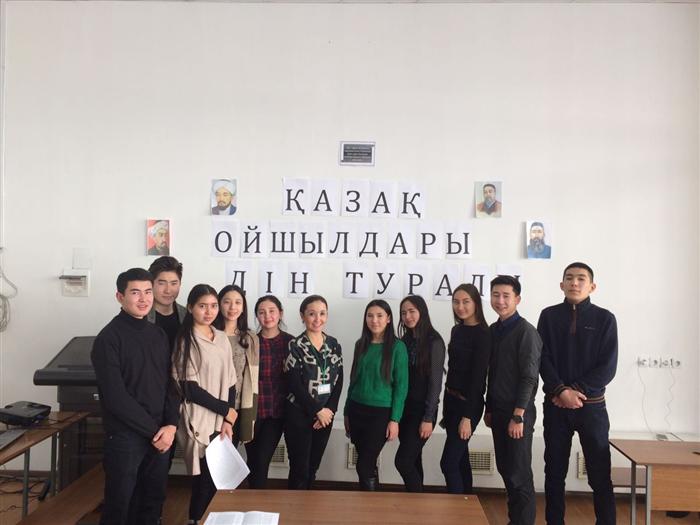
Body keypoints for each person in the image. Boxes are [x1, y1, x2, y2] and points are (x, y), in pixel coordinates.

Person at [91, 268, 178, 525]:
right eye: (135, 292)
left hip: (160, 434)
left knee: (152, 502)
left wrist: (171, 425)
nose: (143, 299)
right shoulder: (108, 338)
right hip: (126, 436)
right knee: (120, 505)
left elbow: (170, 383)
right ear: (120, 297)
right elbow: (115, 397)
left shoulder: (158, 334)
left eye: (148, 292)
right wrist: (155, 432)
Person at [538, 262, 618, 525]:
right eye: (569, 278)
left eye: (581, 278)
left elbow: (607, 367)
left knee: (600, 474)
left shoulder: (605, 319)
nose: (575, 283)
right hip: (556, 405)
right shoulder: (548, 316)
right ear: (561, 284)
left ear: (592, 286)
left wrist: (576, 391)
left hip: (592, 408)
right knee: (554, 472)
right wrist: (561, 391)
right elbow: (542, 358)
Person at [172, 284, 238, 525]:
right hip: (198, 419)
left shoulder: (221, 337)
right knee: (203, 481)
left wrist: (228, 418)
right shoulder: (185, 340)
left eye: (213, 306)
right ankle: (195, 520)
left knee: (217, 480)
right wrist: (226, 410)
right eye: (202, 306)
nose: (209, 312)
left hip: (221, 420)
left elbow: (231, 381)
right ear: (190, 308)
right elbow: (189, 388)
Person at [485, 275, 542, 525]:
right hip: (498, 411)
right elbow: (492, 373)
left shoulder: (526, 332)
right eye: (495, 295)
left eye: (506, 296)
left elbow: (530, 378)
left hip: (518, 413)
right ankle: (514, 520)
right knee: (506, 469)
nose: (500, 300)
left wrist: (518, 415)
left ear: (517, 299)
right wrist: (488, 408)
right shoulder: (494, 330)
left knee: (519, 474)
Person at [344, 299, 408, 491]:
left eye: (380, 315)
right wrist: (346, 412)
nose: (374, 320)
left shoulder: (397, 347)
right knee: (368, 463)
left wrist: (395, 419)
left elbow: (401, 387)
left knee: (363, 465)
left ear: (388, 318)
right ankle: (373, 504)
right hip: (356, 410)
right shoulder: (360, 344)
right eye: (370, 316)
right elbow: (353, 380)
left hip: (380, 414)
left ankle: (370, 502)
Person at [284, 295, 343, 489]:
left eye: (322, 313)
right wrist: (317, 410)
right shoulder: (295, 345)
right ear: (302, 316)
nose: (318, 319)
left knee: (312, 467)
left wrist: (329, 410)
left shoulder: (334, 345)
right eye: (311, 314)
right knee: (299, 468)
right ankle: (294, 505)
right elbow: (294, 384)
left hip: (325, 416)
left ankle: (307, 504)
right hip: (299, 414)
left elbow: (339, 380)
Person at [440, 284, 491, 494]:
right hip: (451, 400)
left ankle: (458, 508)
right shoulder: (457, 330)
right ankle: (467, 503)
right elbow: (453, 370)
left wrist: (468, 417)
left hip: (468, 405)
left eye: (465, 301)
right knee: (460, 459)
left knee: (448, 463)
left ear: (476, 303)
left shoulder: (484, 334)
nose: (460, 307)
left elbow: (478, 380)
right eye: (456, 302)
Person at [394, 295, 445, 492]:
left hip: (422, 411)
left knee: (403, 461)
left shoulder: (434, 341)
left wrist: (428, 417)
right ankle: (415, 503)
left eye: (412, 311)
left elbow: (435, 384)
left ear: (422, 312)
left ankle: (419, 500)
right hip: (404, 410)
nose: (407, 317)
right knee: (414, 460)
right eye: (403, 313)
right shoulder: (404, 341)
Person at [245, 295, 294, 489]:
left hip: (277, 412)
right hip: (252, 411)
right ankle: (253, 497)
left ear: (280, 313)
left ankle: (256, 500)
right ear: (257, 316)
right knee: (252, 459)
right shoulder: (250, 342)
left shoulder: (291, 343)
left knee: (261, 460)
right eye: (262, 312)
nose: (267, 316)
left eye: (272, 311)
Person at [213, 285, 259, 445]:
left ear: (243, 307)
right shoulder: (209, 334)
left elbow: (251, 380)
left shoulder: (250, 338)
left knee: (228, 456)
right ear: (219, 304)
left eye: (238, 302)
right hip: (210, 406)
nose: (233, 307)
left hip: (238, 409)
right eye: (227, 302)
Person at [147, 256, 186, 351]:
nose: (168, 290)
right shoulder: (141, 316)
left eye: (174, 283)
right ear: (151, 284)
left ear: (180, 284)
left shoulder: (187, 315)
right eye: (162, 283)